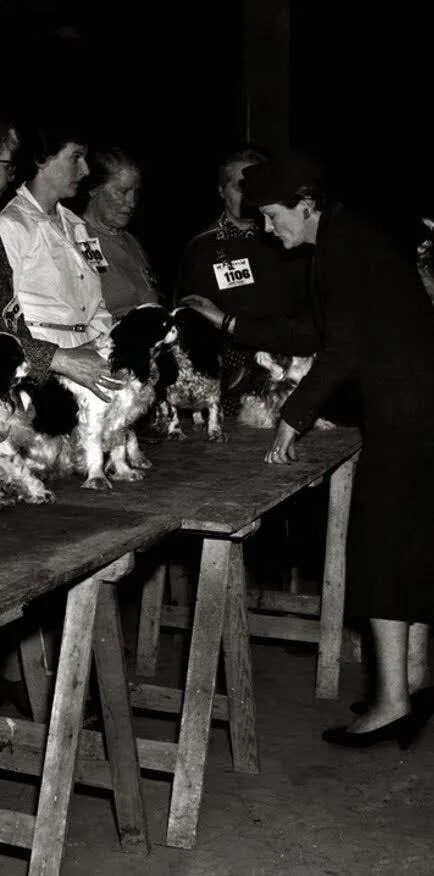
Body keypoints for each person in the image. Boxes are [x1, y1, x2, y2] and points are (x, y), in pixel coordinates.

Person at [187, 154, 434, 747]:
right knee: (412, 541)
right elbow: (312, 331)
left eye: (274, 216)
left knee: (378, 546)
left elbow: (340, 350)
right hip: (418, 407)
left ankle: (393, 703)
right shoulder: (347, 240)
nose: (270, 230)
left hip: (407, 411)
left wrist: (290, 421)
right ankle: (418, 682)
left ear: (306, 201)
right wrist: (226, 324)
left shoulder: (344, 248)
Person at [0, 107, 120, 399]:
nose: (11, 176)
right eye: (7, 166)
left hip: (36, 369)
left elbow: (8, 318)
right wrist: (59, 359)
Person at [178, 146, 313, 416]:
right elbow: (189, 322)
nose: (248, 195)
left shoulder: (285, 237)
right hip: (232, 373)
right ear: (221, 190)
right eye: (241, 186)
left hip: (291, 366)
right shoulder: (201, 247)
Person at [0, 123, 113, 349]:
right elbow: (1, 318)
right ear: (41, 159)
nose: (85, 170)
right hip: (43, 361)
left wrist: (104, 344)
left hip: (90, 356)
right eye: (75, 157)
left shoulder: (76, 225)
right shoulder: (10, 226)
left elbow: (95, 307)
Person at [81, 147, 159, 318]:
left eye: (135, 193)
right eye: (123, 191)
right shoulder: (73, 237)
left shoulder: (131, 241)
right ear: (94, 188)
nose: (131, 203)